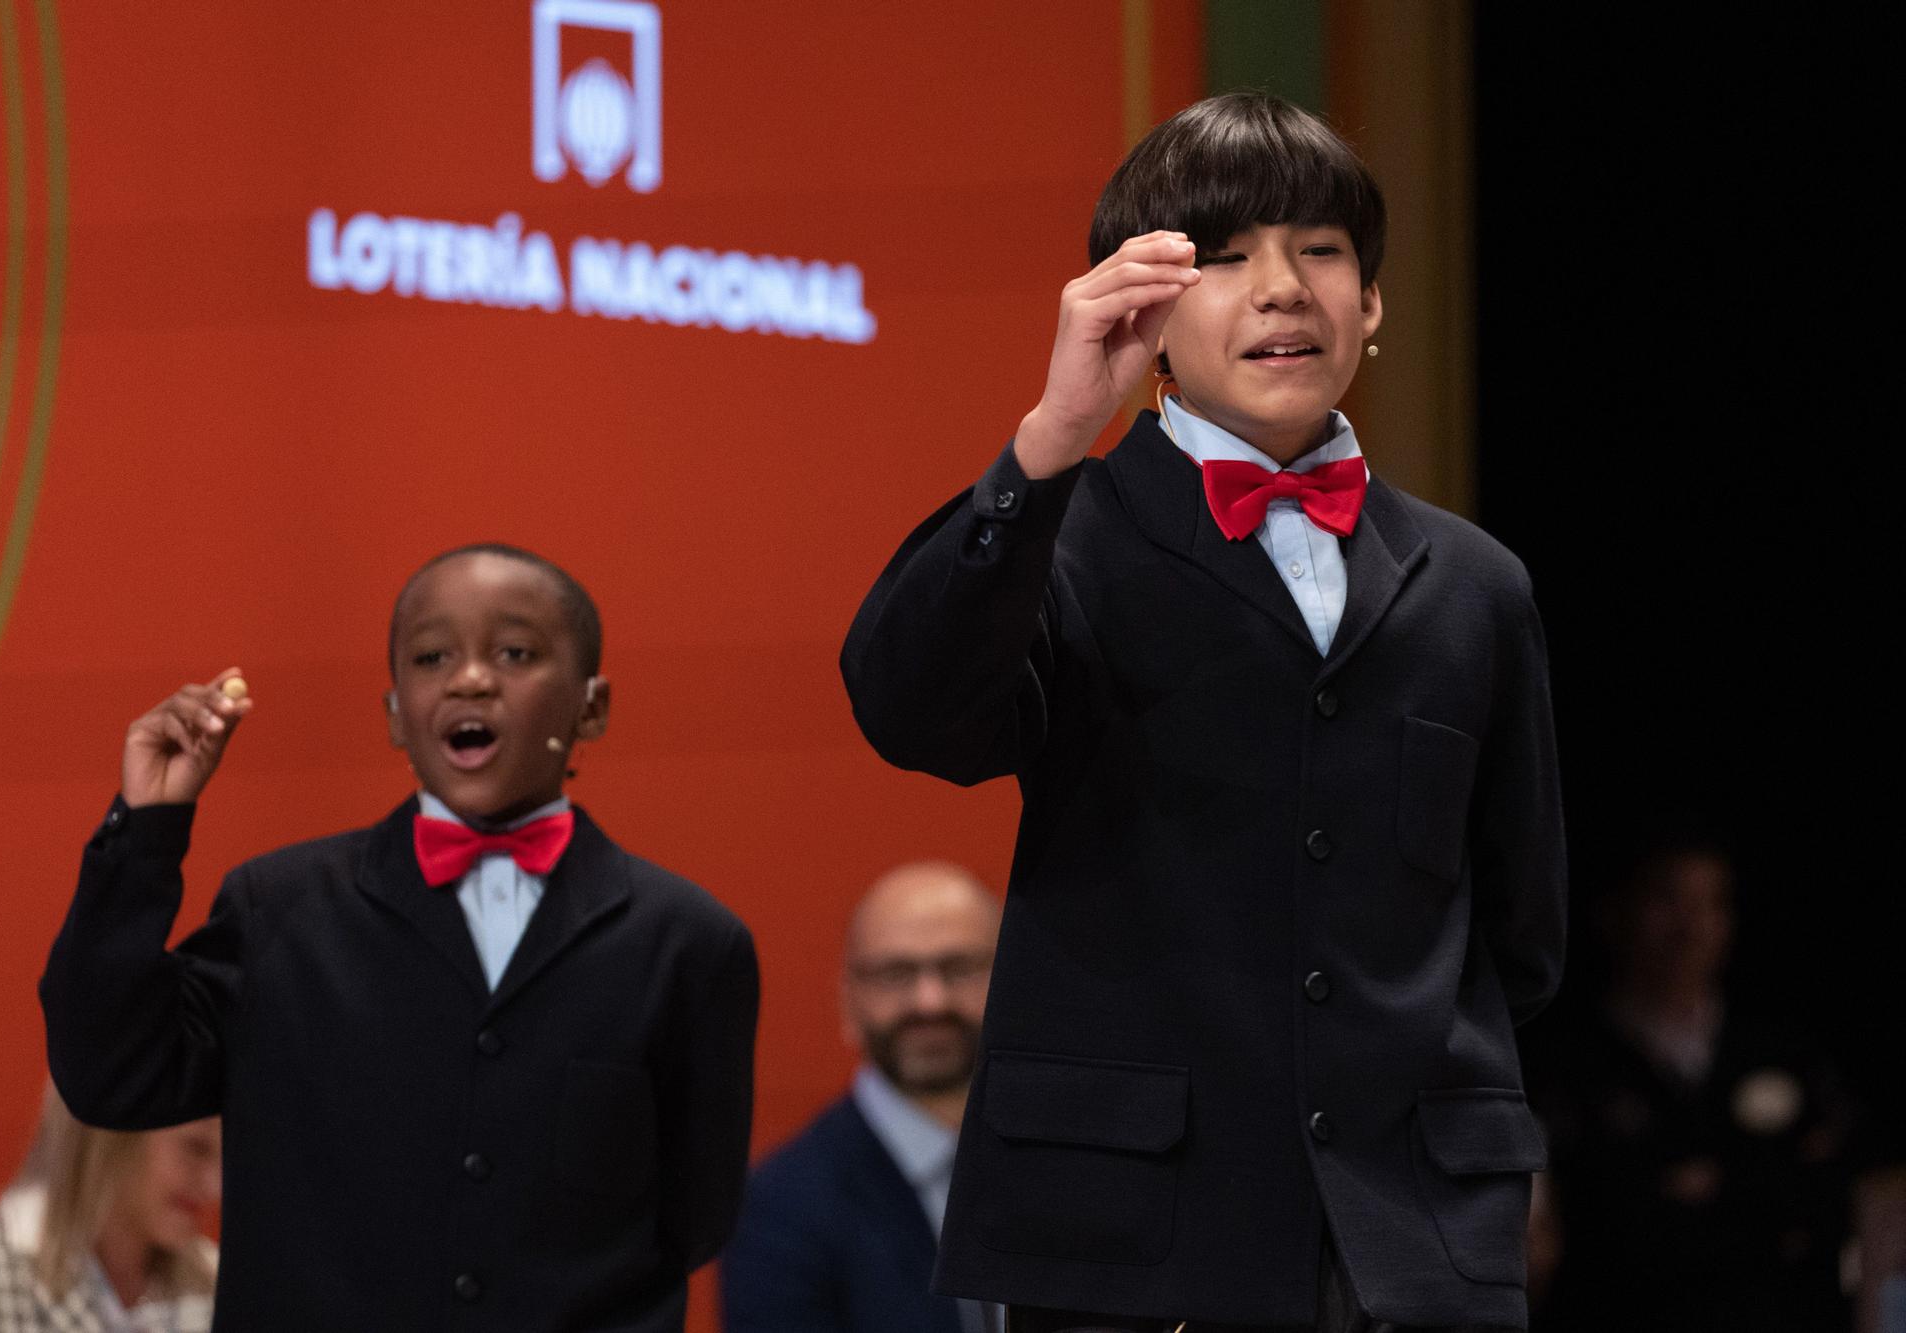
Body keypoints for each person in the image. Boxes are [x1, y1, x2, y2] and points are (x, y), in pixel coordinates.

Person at [841, 92, 1566, 1332]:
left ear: (1373, 302)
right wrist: (1052, 437)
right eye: (1222, 258)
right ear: (1143, 312)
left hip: (1408, 1249)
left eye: (1319, 250)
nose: (1279, 288)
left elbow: (1519, 934)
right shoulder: (1059, 534)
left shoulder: (1476, 585)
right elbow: (909, 708)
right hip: (1131, 1245)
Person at [39, 544, 759, 1333]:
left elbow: (696, 1217)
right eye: (431, 656)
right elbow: (108, 1072)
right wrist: (148, 830)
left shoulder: (690, 940)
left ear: (592, 706)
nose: (470, 678)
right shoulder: (278, 910)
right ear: (394, 715)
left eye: (515, 652)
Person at [1523, 838, 1864, 1331]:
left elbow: (1837, 1190)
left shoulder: (1780, 1053)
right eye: (1667, 901)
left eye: (1710, 904)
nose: (1689, 927)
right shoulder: (1561, 1068)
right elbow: (1576, 1227)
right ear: (1613, 913)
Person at [721, 862, 1003, 1333]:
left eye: (958, 968)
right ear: (848, 1001)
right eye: (896, 973)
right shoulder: (779, 1206)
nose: (929, 1001)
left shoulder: (1081, 1169)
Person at [0, 1083, 219, 1333]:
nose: (214, 1185)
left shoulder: (220, 1285)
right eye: (195, 1148)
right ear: (111, 1132)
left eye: (227, 1156)